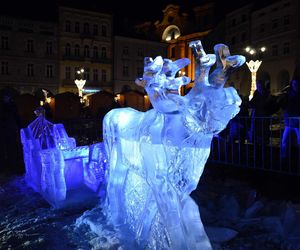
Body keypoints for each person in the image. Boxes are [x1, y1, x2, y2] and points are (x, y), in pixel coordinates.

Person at [278, 78, 300, 171]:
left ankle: (296, 160)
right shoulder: (288, 95)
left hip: (297, 120)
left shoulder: (294, 95)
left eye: (297, 84)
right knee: (285, 141)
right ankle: (284, 159)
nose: (295, 85)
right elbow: (283, 104)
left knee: (298, 141)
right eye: (294, 84)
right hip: (290, 121)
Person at [0, 94, 21, 173]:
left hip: (10, 129)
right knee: (3, 147)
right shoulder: (2, 105)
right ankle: (4, 164)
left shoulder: (12, 105)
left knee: (11, 147)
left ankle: (12, 164)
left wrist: (19, 126)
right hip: (3, 129)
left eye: (7, 97)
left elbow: (16, 116)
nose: (6, 98)